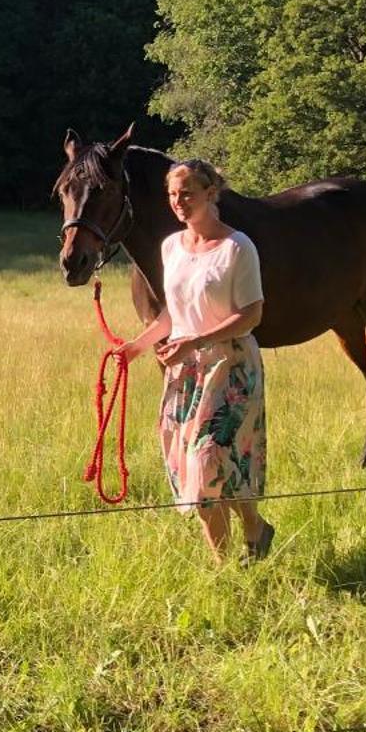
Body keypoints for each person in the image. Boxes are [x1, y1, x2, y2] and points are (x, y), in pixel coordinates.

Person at [118, 159, 275, 561]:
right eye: (172, 194)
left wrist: (197, 341)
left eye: (187, 193)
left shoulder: (237, 247)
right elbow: (175, 313)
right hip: (186, 371)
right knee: (197, 467)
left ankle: (241, 545)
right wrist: (138, 346)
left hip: (231, 367)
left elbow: (252, 313)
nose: (178, 201)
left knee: (210, 463)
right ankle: (241, 547)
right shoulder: (171, 247)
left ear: (211, 193)